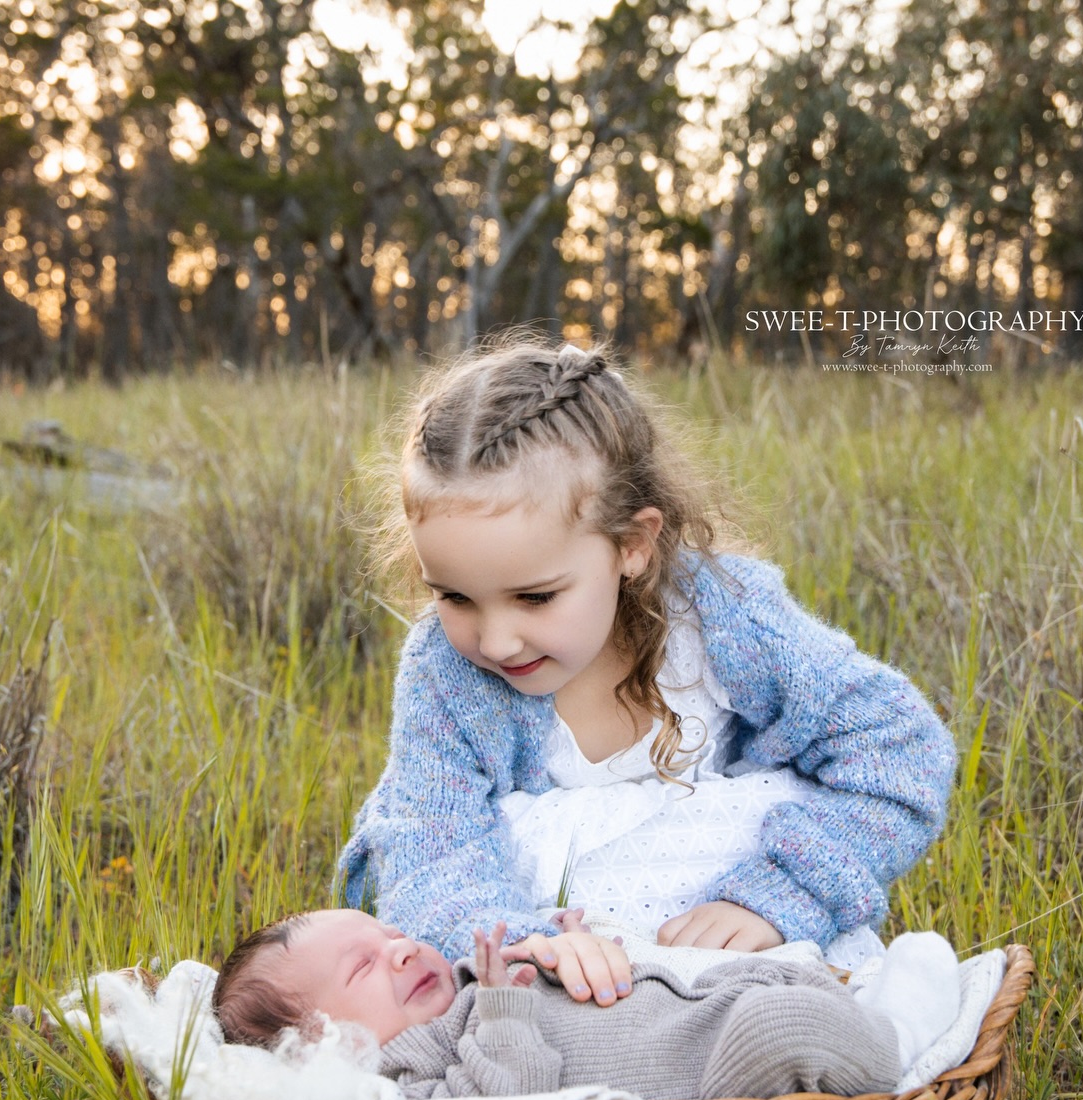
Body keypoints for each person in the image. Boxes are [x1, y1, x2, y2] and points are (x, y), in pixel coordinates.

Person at [339, 333, 957, 971]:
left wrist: (777, 898)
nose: (494, 641)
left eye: (535, 597)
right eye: (455, 597)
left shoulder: (725, 621)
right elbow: (428, 853)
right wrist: (529, 947)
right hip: (564, 972)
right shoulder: (445, 673)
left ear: (632, 543)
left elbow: (899, 749)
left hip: (726, 951)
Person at [211, 908, 962, 1100]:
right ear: (317, 1048)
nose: (403, 951)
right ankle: (900, 1046)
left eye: (394, 935)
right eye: (363, 966)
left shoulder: (474, 985)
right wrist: (505, 1012)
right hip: (715, 1081)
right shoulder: (405, 1079)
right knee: (782, 1028)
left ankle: (860, 1008)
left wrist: (570, 943)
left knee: (780, 990)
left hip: (704, 1004)